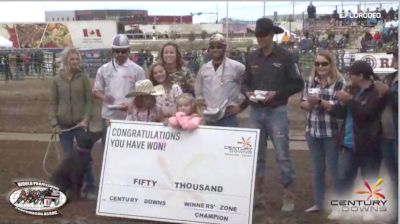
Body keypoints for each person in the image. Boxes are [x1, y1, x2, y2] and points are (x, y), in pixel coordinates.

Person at [242, 17, 304, 212]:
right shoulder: (251, 57)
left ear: (271, 35)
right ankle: (258, 195)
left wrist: (277, 94)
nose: (259, 38)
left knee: (282, 154)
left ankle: (288, 194)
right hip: (256, 111)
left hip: (277, 110)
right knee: (256, 155)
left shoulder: (286, 56)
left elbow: (298, 83)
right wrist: (247, 93)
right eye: (257, 35)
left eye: (263, 35)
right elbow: (245, 82)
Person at [328, 61, 387, 221]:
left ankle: (369, 208)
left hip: (369, 142)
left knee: (370, 176)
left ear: (360, 76)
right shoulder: (350, 89)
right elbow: (338, 113)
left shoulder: (376, 92)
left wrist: (349, 101)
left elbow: (367, 114)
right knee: (344, 176)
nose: (349, 77)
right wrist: (338, 103)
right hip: (348, 141)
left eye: (351, 74)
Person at [300, 50, 346, 213]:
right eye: (317, 64)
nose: (320, 67)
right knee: (317, 170)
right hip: (313, 131)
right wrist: (311, 103)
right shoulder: (310, 81)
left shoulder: (340, 82)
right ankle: (319, 202)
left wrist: (320, 101)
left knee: (335, 170)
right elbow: (303, 104)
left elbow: (340, 109)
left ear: (331, 64)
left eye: (324, 63)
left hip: (332, 132)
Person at [48, 48, 95, 198]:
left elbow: (89, 102)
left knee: (85, 159)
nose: (75, 62)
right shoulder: (56, 80)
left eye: (77, 59)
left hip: (80, 124)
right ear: (65, 60)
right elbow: (53, 103)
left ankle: (90, 187)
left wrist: (86, 120)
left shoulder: (84, 78)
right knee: (68, 158)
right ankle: (69, 188)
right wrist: (54, 123)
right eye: (72, 59)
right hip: (63, 126)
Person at [93, 34, 145, 147]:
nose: (120, 54)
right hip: (109, 116)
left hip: (130, 116)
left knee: (128, 149)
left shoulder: (138, 70)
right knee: (108, 148)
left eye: (123, 51)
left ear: (129, 51)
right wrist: (104, 97)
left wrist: (131, 105)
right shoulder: (103, 69)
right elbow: (96, 90)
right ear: (112, 51)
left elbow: (143, 94)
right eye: (117, 51)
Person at [195, 33, 248, 127]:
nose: (215, 49)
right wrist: (201, 106)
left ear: (225, 48)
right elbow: (198, 90)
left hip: (228, 118)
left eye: (219, 47)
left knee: (229, 142)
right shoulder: (204, 68)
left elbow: (249, 86)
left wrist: (241, 107)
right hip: (209, 117)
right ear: (209, 49)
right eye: (212, 47)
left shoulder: (237, 67)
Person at [380, 44, 398, 220]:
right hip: (386, 134)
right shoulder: (389, 78)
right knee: (393, 176)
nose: (393, 59)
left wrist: (388, 94)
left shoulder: (390, 83)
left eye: (396, 56)